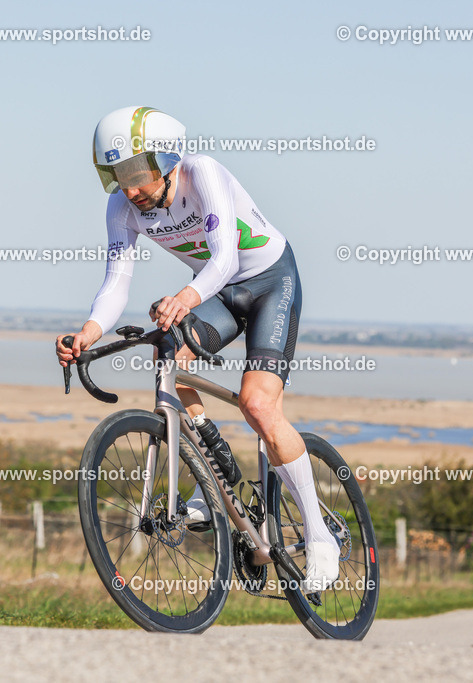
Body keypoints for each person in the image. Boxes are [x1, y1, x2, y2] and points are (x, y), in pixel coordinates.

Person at [55, 106, 340, 592]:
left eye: (136, 174)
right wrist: (88, 332)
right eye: (115, 177)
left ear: (165, 159)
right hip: (218, 291)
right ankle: (214, 472)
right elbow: (116, 281)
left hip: (270, 281)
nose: (130, 190)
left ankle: (320, 537)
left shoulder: (201, 172)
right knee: (167, 355)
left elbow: (225, 256)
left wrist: (185, 297)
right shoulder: (123, 209)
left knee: (257, 404)